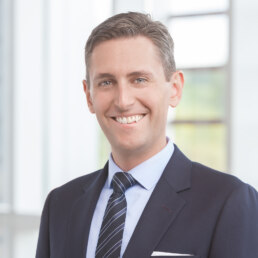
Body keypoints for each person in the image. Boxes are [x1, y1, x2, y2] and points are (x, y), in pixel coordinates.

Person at [36, 12, 258, 258]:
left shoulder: (228, 202)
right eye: (107, 83)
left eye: (139, 79)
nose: (123, 101)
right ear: (89, 96)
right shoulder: (60, 205)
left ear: (174, 89)